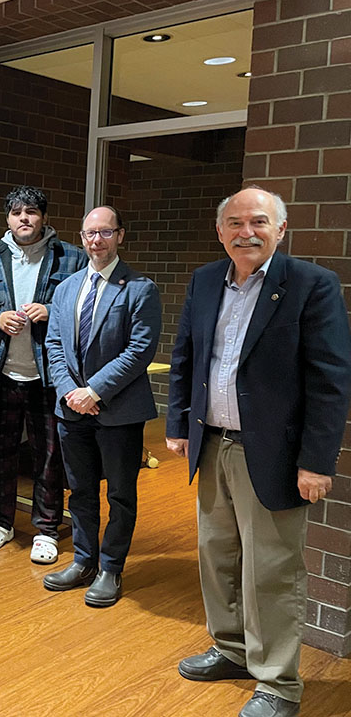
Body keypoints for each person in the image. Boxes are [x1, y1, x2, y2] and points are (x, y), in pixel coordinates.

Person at [166, 187, 351, 717]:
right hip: (212, 446)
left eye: (258, 222)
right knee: (216, 556)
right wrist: (179, 423)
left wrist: (316, 461)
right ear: (220, 231)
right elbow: (186, 358)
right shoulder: (205, 281)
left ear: (280, 229)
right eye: (234, 223)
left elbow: (330, 382)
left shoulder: (312, 286)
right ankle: (230, 649)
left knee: (271, 568)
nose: (246, 231)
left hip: (273, 455)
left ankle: (277, 682)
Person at [43, 205, 160, 607]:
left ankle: (111, 568)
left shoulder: (140, 288)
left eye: (106, 232)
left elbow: (139, 350)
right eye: (91, 233)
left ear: (120, 236)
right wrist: (69, 392)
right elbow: (54, 345)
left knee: (121, 495)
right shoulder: (66, 288)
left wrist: (93, 391)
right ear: (82, 236)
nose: (97, 240)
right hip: (71, 411)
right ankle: (83, 561)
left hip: (119, 412)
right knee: (80, 492)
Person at [0, 185, 86, 563]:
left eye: (32, 212)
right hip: (1, 374)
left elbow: (87, 309)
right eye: (17, 212)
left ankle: (47, 529)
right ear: (8, 219)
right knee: (0, 453)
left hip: (49, 377)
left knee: (49, 456)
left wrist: (52, 310)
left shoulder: (72, 257)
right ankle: (0, 523)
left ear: (44, 218)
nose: (25, 218)